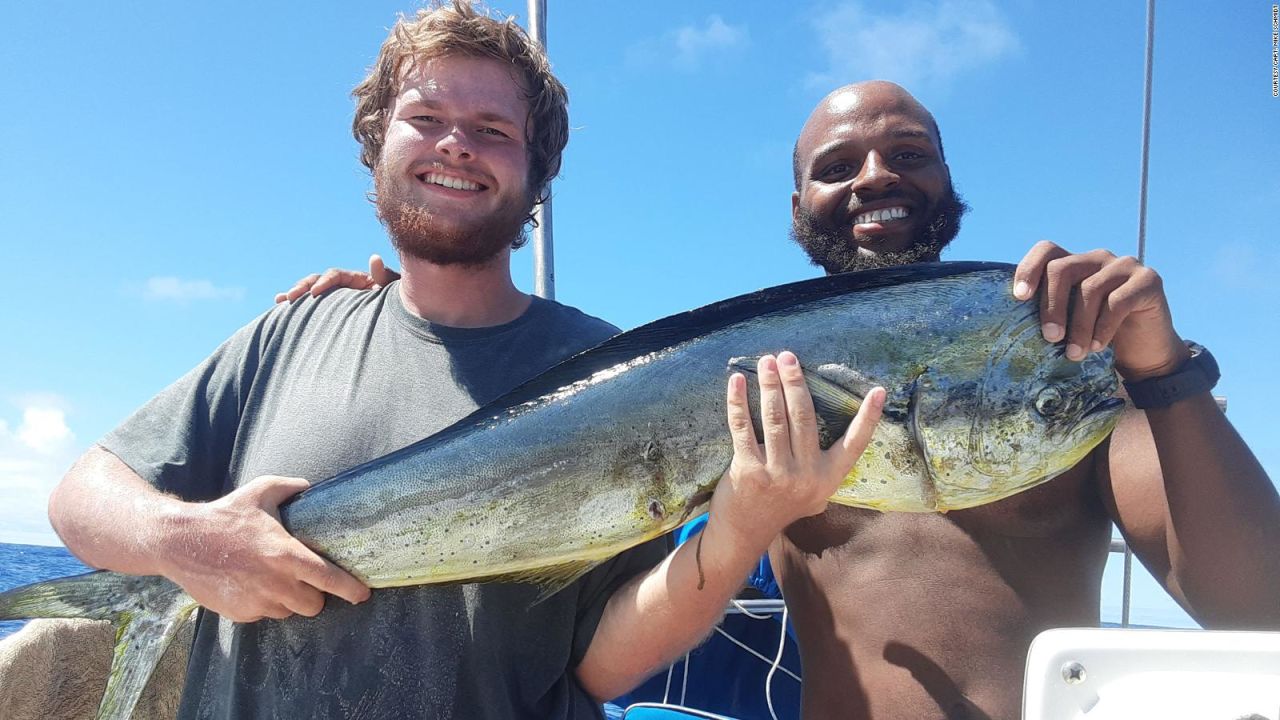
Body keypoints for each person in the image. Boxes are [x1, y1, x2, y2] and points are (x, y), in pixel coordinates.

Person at [299, 80, 1280, 719]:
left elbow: (1257, 610)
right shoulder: (738, 374)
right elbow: (572, 455)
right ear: (797, 206)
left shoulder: (1053, 350)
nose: (874, 176)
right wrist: (413, 313)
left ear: (946, 182)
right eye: (836, 165)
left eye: (907, 153)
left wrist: (1163, 368)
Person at [39, 5, 886, 719]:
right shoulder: (288, 332)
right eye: (426, 119)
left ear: (536, 172)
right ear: (377, 144)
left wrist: (742, 528)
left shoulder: (614, 370)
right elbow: (81, 500)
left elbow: (600, 665)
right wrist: (185, 538)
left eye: (492, 130)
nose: (455, 146)